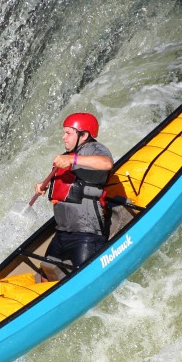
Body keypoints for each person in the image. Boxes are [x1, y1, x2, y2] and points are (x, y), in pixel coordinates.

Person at [35, 112, 114, 276]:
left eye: (68, 133)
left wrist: (73, 160)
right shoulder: (66, 156)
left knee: (85, 276)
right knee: (46, 273)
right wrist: (43, 185)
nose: (64, 137)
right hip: (63, 232)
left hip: (86, 234)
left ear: (84, 135)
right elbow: (63, 182)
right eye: (63, 133)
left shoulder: (94, 148)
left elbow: (106, 163)